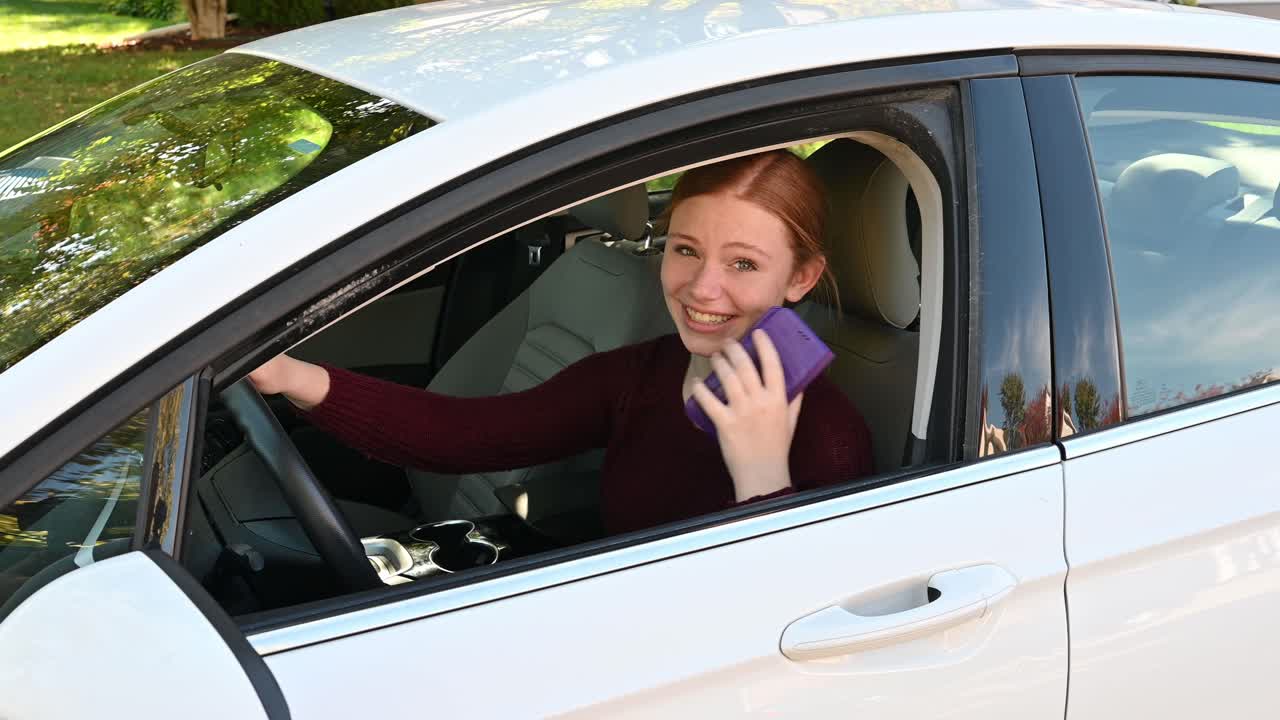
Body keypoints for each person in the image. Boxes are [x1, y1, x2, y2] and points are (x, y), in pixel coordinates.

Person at [249, 150, 873, 535]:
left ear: (800, 278)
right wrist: (288, 377)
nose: (702, 289)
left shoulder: (829, 437)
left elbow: (791, 630)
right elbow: (473, 435)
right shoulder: (639, 375)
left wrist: (761, 473)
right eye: (686, 250)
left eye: (742, 264)